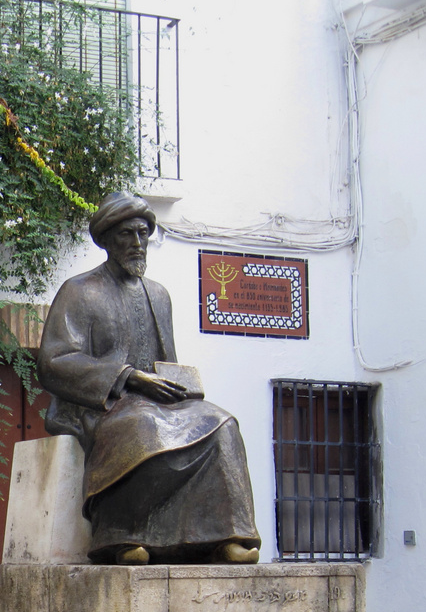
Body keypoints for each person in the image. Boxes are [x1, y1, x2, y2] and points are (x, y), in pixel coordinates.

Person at [38, 192, 262, 564]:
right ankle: (120, 537)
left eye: (143, 233)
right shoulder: (78, 291)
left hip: (157, 402)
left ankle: (224, 536)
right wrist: (127, 377)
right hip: (103, 404)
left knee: (221, 424)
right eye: (127, 234)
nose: (138, 243)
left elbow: (165, 362)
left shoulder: (159, 295)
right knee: (142, 426)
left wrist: (179, 386)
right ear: (107, 239)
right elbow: (54, 361)